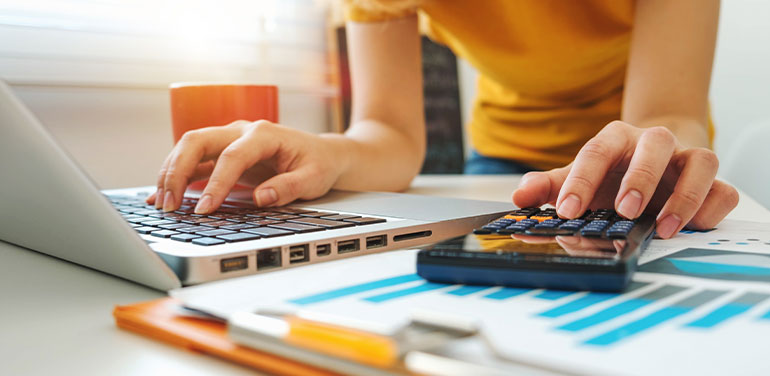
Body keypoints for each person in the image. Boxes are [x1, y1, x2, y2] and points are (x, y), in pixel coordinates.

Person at [147, 0, 738, 239]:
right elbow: (388, 130)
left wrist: (660, 162)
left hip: (639, 156)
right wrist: (330, 151)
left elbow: (668, 112)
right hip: (501, 157)